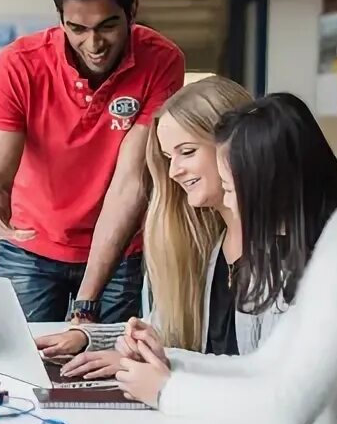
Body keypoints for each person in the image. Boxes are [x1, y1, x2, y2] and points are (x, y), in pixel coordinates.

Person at [117, 93, 337, 424]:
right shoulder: (331, 235)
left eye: (232, 190)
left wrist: (166, 390)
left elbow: (286, 407)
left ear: (273, 183)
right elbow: (265, 366)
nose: (229, 205)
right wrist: (172, 361)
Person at [0, 0, 185, 323]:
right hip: (30, 247)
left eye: (108, 25)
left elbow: (132, 182)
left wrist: (88, 301)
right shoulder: (18, 66)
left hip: (117, 247)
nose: (93, 44)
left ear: (133, 12)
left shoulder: (162, 60)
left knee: (106, 370)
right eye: (77, 28)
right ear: (60, 18)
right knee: (25, 365)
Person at [35, 75, 253, 378]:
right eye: (168, 157)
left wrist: (151, 364)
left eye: (187, 151)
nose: (174, 171)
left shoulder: (287, 249)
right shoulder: (210, 244)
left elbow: (268, 372)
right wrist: (88, 338)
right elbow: (169, 333)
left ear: (238, 146)